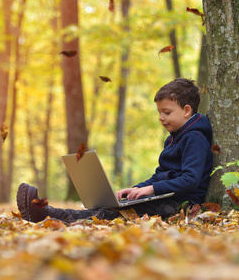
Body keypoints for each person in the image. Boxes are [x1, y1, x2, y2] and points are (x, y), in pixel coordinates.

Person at [16, 78, 213, 223]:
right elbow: (160, 175)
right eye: (159, 112)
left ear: (187, 110)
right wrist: (137, 189)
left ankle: (48, 215)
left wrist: (151, 190)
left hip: (182, 204)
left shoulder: (194, 138)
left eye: (167, 112)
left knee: (112, 214)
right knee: (110, 206)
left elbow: (190, 179)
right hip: (167, 198)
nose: (161, 118)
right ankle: (48, 213)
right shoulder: (173, 138)